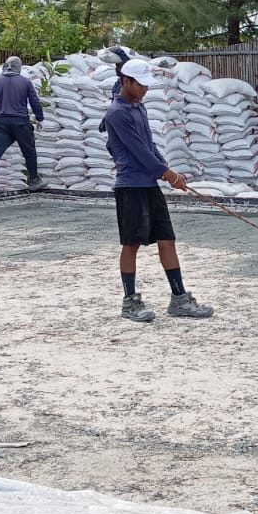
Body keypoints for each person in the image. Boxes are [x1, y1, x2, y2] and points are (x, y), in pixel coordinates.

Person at [103, 56, 214, 323]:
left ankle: (179, 299)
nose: (145, 89)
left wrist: (166, 168)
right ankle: (130, 302)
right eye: (140, 84)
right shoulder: (116, 113)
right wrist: (167, 174)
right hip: (131, 186)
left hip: (149, 185)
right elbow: (138, 151)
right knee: (131, 244)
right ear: (126, 81)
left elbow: (149, 144)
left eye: (146, 84)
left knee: (167, 239)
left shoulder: (138, 107)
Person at [0, 56, 46, 194]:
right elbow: (35, 102)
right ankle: (34, 181)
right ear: (19, 68)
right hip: (20, 123)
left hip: (2, 123)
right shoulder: (25, 82)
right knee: (29, 153)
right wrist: (40, 118)